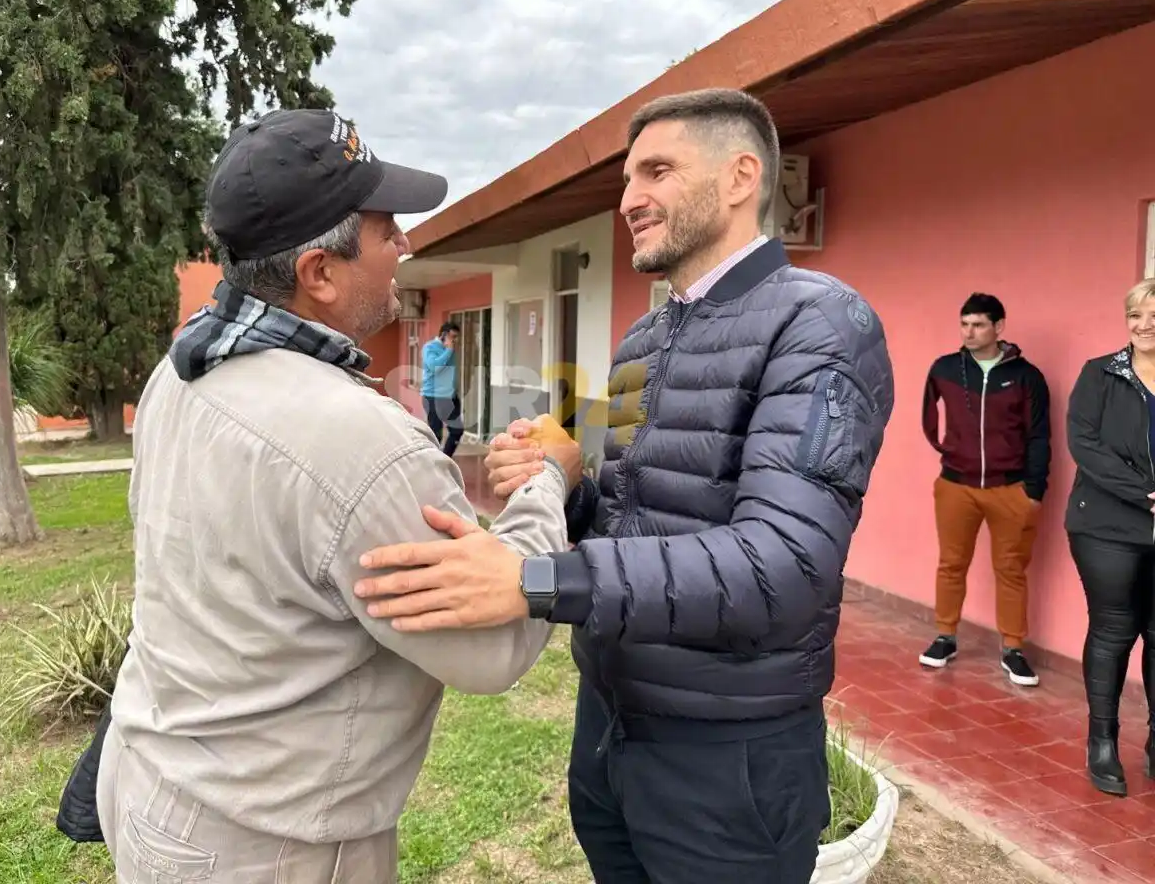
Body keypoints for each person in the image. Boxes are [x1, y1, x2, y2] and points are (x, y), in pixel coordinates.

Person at [353, 88, 895, 883]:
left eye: (657, 172)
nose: (629, 200)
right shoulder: (644, 339)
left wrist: (534, 581)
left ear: (741, 176)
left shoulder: (819, 326)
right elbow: (625, 513)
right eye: (628, 179)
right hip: (609, 728)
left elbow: (784, 566)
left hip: (727, 759)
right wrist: (561, 479)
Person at [95, 108, 583, 884]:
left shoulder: (183, 371)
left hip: (154, 783)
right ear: (319, 273)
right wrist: (548, 479)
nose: (405, 246)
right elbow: (490, 646)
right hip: (265, 846)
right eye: (387, 230)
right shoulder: (361, 443)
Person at [918, 293, 1051, 686]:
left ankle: (1013, 648)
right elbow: (928, 416)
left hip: (1009, 488)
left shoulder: (1026, 376)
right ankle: (945, 636)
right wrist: (948, 452)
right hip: (955, 486)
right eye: (964, 324)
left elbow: (1039, 435)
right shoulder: (945, 368)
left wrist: (1034, 490)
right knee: (951, 563)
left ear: (999, 327)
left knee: (1011, 569)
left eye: (978, 324)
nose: (969, 332)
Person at [1064, 277, 1155, 798]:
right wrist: (1148, 494)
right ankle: (1102, 741)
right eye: (1135, 315)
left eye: (1154, 316)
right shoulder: (1100, 373)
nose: (1144, 325)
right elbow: (1085, 445)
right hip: (1106, 526)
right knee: (1114, 629)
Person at [421, 321, 464, 456]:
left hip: (450, 396)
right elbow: (434, 367)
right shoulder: (430, 347)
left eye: (457, 337)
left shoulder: (450, 349)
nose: (455, 340)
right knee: (436, 435)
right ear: (444, 335)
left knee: (457, 430)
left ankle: (446, 459)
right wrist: (449, 350)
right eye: (453, 337)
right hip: (433, 396)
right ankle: (433, 462)